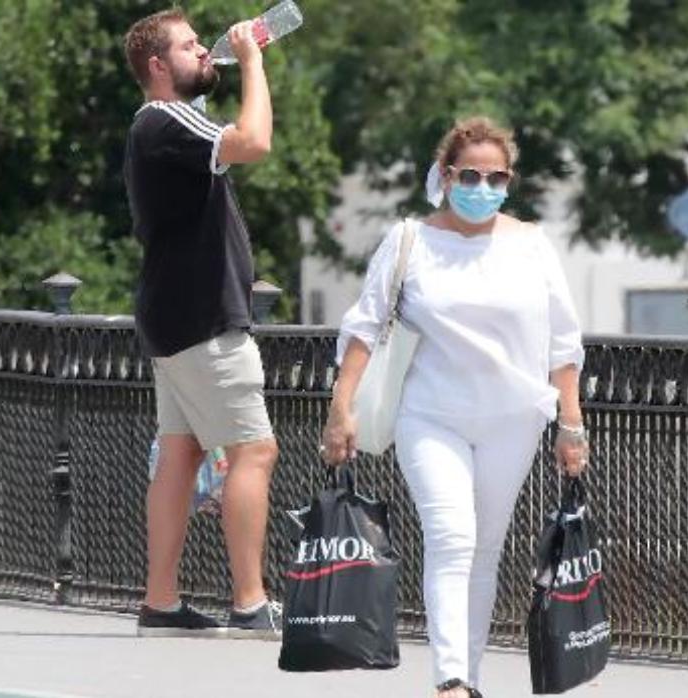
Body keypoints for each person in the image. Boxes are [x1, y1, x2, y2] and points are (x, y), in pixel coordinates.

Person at [321, 117, 588, 698]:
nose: (483, 186)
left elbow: (564, 345)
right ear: (446, 176)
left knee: (486, 549)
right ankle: (450, 680)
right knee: (452, 537)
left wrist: (571, 423)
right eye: (470, 174)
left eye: (497, 176)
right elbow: (363, 328)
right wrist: (342, 406)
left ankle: (470, 676)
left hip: (513, 419)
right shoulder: (410, 239)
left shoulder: (532, 245)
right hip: (431, 414)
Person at [122, 8, 281, 638]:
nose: (202, 54)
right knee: (254, 450)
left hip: (171, 316)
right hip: (202, 317)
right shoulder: (168, 117)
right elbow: (254, 142)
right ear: (159, 67)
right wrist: (251, 61)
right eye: (191, 48)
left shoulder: (151, 127)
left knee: (182, 455)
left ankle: (160, 602)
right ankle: (250, 602)